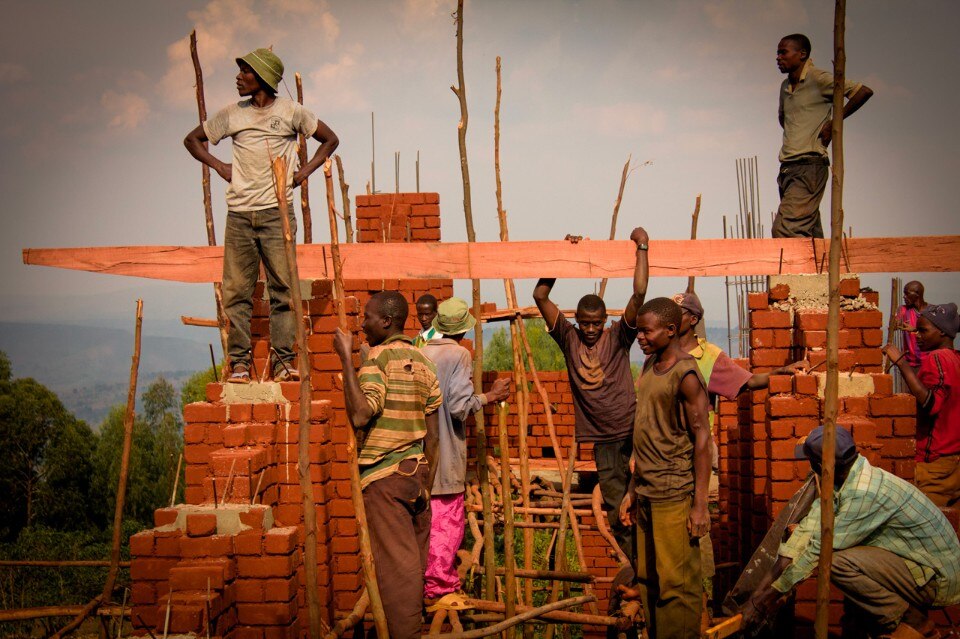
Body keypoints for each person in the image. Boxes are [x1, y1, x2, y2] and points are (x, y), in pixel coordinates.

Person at [184, 48, 339, 383]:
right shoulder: (231, 114)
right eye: (239, 71)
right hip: (239, 214)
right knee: (236, 292)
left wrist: (303, 173)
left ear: (264, 79)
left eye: (245, 71)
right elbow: (192, 140)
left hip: (277, 213)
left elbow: (330, 139)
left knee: (283, 289)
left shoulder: (291, 112)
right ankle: (239, 364)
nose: (238, 77)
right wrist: (220, 166)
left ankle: (284, 361)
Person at [741, 425, 960, 638]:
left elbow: (818, 552)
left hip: (935, 577)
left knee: (833, 561)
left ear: (819, 465)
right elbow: (804, 535)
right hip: (914, 564)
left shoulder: (863, 493)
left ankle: (914, 622)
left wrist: (769, 598)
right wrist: (758, 596)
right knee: (838, 558)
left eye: (810, 462)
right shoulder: (842, 481)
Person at [673, 291, 806, 601]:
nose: (668, 319)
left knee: (695, 524)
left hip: (695, 451)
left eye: (675, 313)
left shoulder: (708, 356)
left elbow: (746, 381)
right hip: (665, 452)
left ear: (692, 320)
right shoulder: (660, 351)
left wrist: (778, 374)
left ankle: (699, 598)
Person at [533, 226, 650, 562]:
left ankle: (658, 569)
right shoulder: (568, 339)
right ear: (576, 320)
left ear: (604, 320)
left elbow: (639, 295)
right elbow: (540, 296)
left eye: (596, 323)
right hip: (604, 442)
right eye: (584, 323)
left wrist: (642, 245)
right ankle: (640, 569)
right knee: (617, 511)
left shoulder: (618, 338)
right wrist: (563, 255)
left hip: (633, 431)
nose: (590, 329)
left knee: (647, 500)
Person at [333, 291, 442, 639]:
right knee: (413, 566)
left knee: (397, 575)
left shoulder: (377, 359)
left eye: (366, 317)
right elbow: (434, 436)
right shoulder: (424, 361)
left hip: (385, 479)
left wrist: (348, 361)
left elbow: (362, 413)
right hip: (417, 476)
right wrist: (426, 484)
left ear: (386, 321)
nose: (361, 324)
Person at [618, 297, 712, 639]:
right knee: (649, 581)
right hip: (646, 492)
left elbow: (703, 439)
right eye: (638, 331)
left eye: (647, 331)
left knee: (677, 586)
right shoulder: (649, 366)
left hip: (674, 495)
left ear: (671, 330)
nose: (640, 337)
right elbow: (647, 432)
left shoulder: (685, 374)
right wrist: (631, 490)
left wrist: (700, 504)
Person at [420, 298, 510, 608]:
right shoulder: (458, 355)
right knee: (446, 523)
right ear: (462, 329)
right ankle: (439, 590)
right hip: (445, 456)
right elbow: (459, 407)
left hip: (420, 457)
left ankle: (427, 582)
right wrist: (490, 396)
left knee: (426, 523)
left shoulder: (420, 352)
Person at [773, 33, 873, 238]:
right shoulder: (785, 86)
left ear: (802, 54)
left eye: (783, 52)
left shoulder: (818, 79)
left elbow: (862, 92)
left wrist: (834, 122)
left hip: (809, 165)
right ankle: (822, 269)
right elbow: (783, 119)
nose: (778, 57)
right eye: (777, 53)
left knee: (786, 230)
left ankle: (793, 269)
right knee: (809, 232)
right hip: (789, 168)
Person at [883, 303, 960, 508]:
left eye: (923, 331)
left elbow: (931, 403)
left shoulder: (937, 358)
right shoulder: (955, 358)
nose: (917, 335)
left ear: (942, 331)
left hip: (935, 464)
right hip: (952, 461)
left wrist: (901, 362)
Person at [896, 281, 930, 372]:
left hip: (928, 362)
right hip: (910, 363)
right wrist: (896, 323)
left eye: (907, 293)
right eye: (904, 293)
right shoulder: (903, 310)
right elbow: (895, 324)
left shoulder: (931, 311)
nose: (904, 296)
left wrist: (915, 329)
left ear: (917, 294)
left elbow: (936, 332)